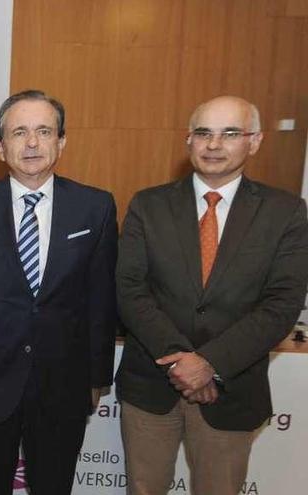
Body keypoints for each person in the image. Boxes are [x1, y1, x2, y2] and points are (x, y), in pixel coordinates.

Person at [115, 95, 308, 495]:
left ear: (254, 141)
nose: (214, 144)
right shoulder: (148, 205)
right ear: (188, 141)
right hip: (151, 386)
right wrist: (180, 363)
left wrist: (211, 363)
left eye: (230, 133)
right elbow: (130, 289)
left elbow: (282, 303)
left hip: (232, 389)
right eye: (203, 133)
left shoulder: (286, 212)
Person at [0, 89, 118, 494]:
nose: (33, 143)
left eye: (44, 131)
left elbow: (101, 301)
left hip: (65, 384)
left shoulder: (96, 208)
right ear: (0, 147)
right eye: (19, 132)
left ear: (62, 142)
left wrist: (97, 377)